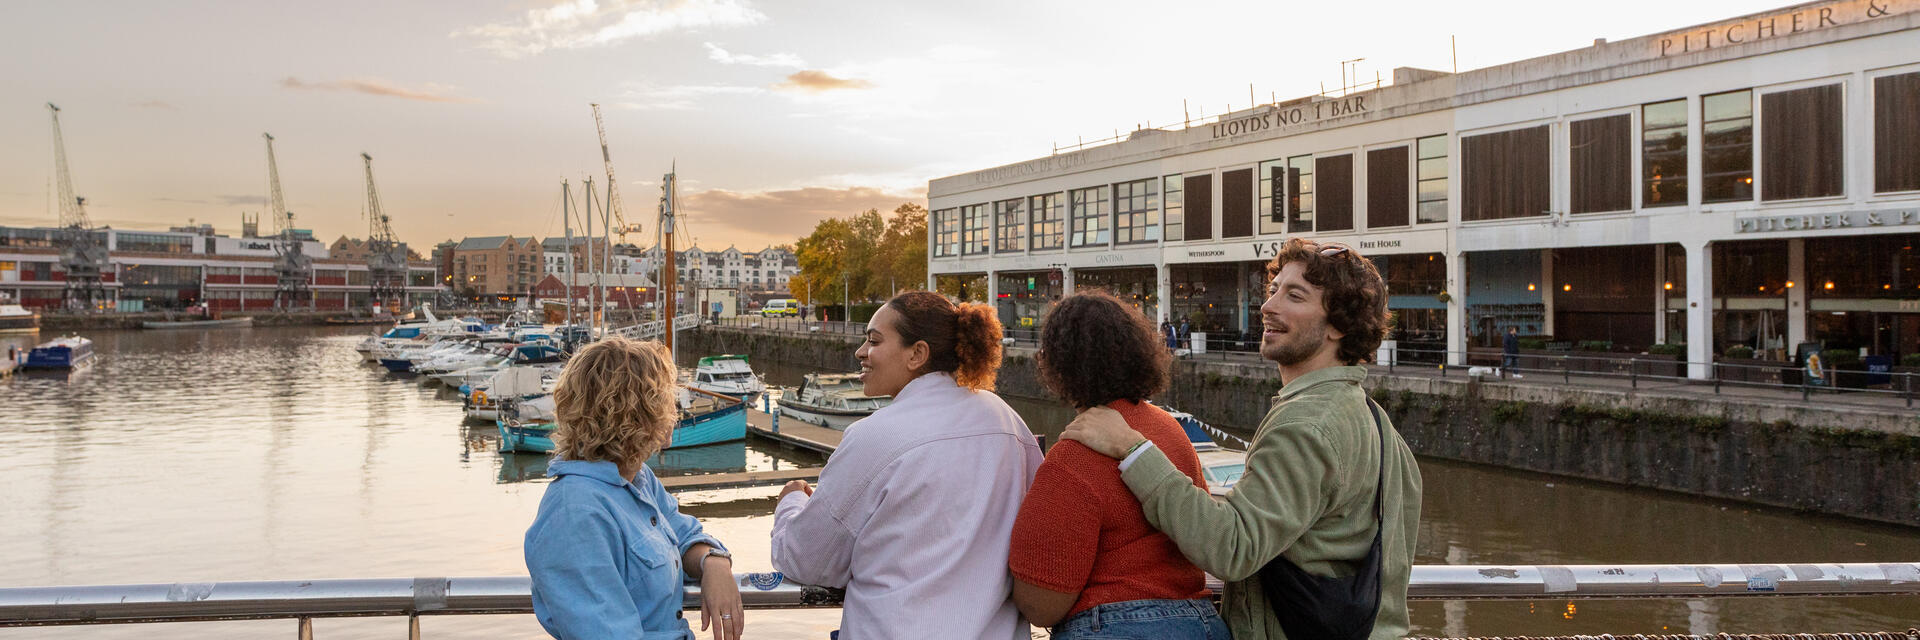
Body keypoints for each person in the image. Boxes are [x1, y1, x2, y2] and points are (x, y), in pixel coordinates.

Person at [1063, 238, 1423, 640]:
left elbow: (1232, 548)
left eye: (1295, 296)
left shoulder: (1305, 424)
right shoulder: (1377, 424)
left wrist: (1134, 450)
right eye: (1273, 291)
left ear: (1338, 324)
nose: (1269, 306)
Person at [771, 290, 1043, 639]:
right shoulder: (1008, 422)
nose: (861, 352)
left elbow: (806, 559)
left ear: (917, 353)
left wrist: (790, 503)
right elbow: (1036, 530)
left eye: (874, 341)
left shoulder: (873, 437)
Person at [1008, 291, 1227, 639]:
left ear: (1058, 366)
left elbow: (1041, 603)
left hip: (1116, 625)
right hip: (1201, 622)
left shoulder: (1073, 457)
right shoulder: (1169, 430)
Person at [523, 337, 745, 640]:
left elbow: (685, 533)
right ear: (638, 412)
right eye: (666, 397)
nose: (674, 408)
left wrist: (713, 563)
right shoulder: (574, 513)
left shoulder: (636, 478)